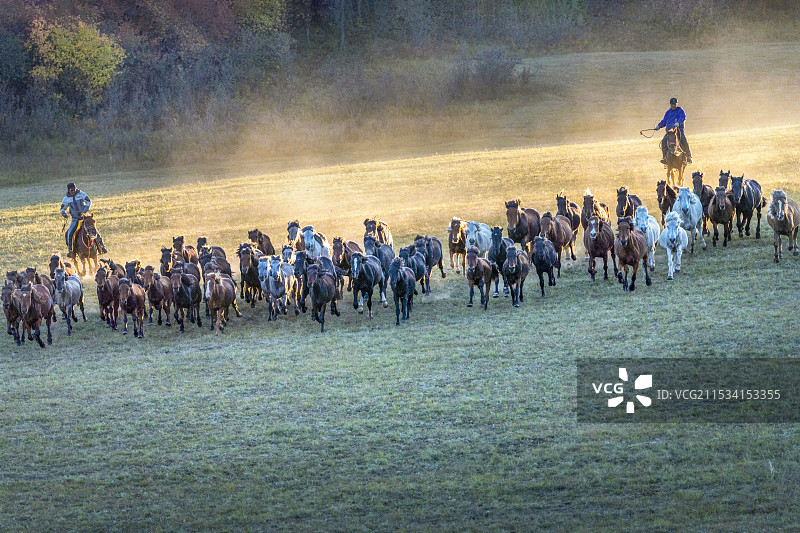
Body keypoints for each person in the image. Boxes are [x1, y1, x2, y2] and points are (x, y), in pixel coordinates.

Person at [60, 182, 108, 258]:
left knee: (93, 230)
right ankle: (70, 251)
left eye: (74, 190)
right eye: (71, 190)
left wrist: (85, 210)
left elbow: (88, 201)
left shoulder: (81, 194)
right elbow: (62, 208)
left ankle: (102, 247)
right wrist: (63, 213)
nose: (73, 191)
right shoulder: (66, 199)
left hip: (85, 218)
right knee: (69, 233)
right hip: (75, 219)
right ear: (68, 190)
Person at [655, 97, 692, 165]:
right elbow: (664, 121)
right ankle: (665, 158)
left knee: (683, 140)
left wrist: (678, 122)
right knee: (664, 142)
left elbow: (683, 117)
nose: (673, 105)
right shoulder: (668, 113)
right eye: (672, 104)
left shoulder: (680, 110)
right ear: (670, 104)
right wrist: (659, 126)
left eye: (674, 104)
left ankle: (688, 156)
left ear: (676, 104)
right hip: (669, 132)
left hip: (678, 130)